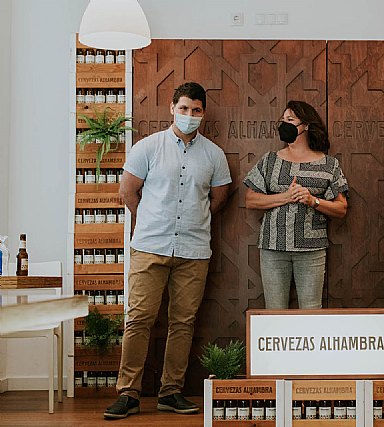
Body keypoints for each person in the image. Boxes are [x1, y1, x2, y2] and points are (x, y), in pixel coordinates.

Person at [104, 82, 232, 419]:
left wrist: (193, 220)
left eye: (197, 110)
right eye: (185, 108)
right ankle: (128, 393)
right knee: (138, 319)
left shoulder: (214, 155)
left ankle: (170, 392)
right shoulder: (148, 147)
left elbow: (218, 199)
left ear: (203, 113)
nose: (190, 115)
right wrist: (150, 218)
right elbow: (128, 191)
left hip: (193, 249)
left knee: (183, 323)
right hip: (150, 246)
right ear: (172, 108)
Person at [243, 100, 348, 309]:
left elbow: (341, 208)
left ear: (306, 126)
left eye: (290, 120)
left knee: (311, 311)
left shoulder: (329, 164)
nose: (284, 125)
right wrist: (287, 196)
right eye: (282, 121)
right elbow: (251, 200)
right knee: (275, 311)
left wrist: (313, 200)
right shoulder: (270, 160)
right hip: (273, 247)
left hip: (312, 250)